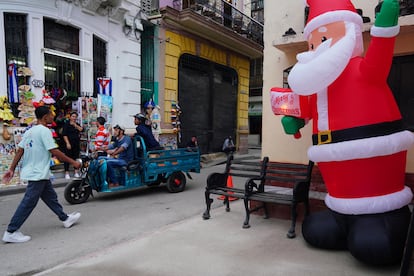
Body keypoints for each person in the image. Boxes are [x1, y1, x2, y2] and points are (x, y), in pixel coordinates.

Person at [273, 0, 414, 266]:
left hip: (378, 177)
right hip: (338, 185)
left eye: (324, 38)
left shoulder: (362, 70)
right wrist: (295, 121)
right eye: (312, 43)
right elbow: (306, 111)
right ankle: (342, 218)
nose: (316, 49)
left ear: (351, 33)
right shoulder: (318, 85)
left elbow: (381, 58)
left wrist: (384, 28)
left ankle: (384, 219)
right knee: (315, 229)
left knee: (374, 244)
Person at [2, 106, 82, 243]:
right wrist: (73, 162)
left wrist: (11, 168)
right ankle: (11, 231)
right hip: (37, 173)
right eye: (51, 114)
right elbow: (54, 151)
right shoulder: (44, 131)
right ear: (45, 117)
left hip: (38, 172)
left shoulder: (30, 130)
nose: (53, 116)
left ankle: (65, 218)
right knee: (29, 202)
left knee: (51, 197)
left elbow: (20, 151)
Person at [62, 111, 83, 179]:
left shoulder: (77, 124)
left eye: (75, 117)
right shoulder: (66, 124)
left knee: (76, 157)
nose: (74, 118)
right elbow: (64, 134)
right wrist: (67, 143)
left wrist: (75, 125)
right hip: (69, 143)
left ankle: (76, 171)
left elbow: (81, 129)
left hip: (76, 143)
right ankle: (66, 172)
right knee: (67, 157)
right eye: (73, 116)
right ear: (70, 117)